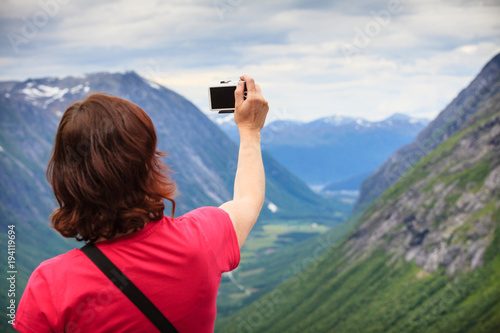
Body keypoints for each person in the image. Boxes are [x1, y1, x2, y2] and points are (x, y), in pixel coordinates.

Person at [13, 75, 269, 332]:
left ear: (66, 180)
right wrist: (250, 131)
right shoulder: (202, 240)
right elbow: (248, 199)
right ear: (147, 166)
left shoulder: (49, 286)